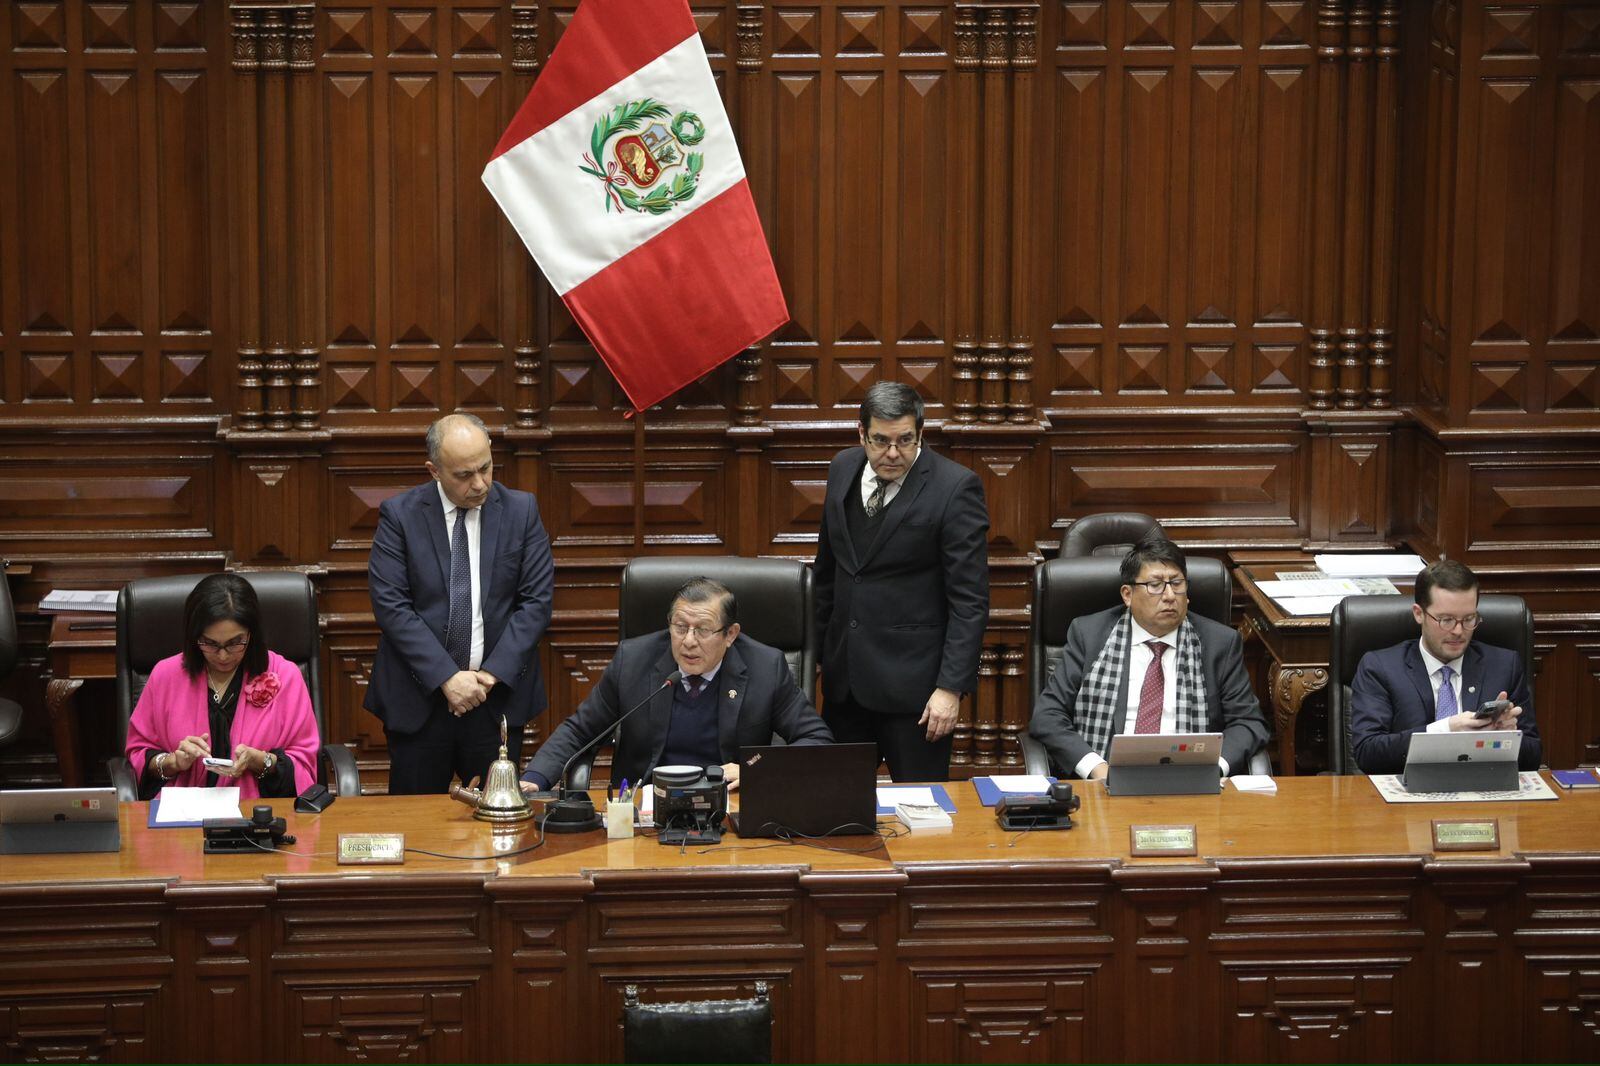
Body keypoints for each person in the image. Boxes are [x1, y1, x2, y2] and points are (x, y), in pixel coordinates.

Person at [367, 413, 555, 794]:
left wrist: (485, 678)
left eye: (485, 468)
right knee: (416, 827)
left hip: (493, 700)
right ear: (434, 470)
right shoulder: (400, 515)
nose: (480, 483)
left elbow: (535, 602)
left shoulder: (522, 511)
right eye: (464, 475)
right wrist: (447, 678)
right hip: (420, 702)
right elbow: (391, 605)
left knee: (498, 826)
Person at [813, 382, 989, 781]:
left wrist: (950, 689)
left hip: (917, 695)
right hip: (846, 688)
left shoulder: (955, 487)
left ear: (921, 434)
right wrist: (821, 657)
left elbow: (969, 601)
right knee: (837, 812)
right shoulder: (842, 468)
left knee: (921, 817)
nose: (893, 453)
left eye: (905, 441)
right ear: (861, 434)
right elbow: (828, 572)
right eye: (880, 441)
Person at [521, 577, 832, 793]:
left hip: (731, 808)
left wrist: (756, 771)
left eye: (704, 630)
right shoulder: (634, 660)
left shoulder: (766, 667)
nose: (688, 642)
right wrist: (534, 779)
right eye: (680, 627)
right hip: (646, 806)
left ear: (730, 634)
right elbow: (580, 730)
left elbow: (817, 741)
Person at [1028, 532, 1268, 779]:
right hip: (1105, 780)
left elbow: (1248, 723)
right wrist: (1097, 769)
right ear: (1127, 595)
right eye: (1155, 585)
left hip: (1191, 783)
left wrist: (1211, 768)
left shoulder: (1220, 643)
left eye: (1177, 583)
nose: (1169, 596)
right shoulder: (1089, 635)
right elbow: (1048, 716)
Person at [125, 573, 319, 801]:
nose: (223, 656)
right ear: (194, 636)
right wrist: (172, 762)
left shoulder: (285, 677)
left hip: (257, 814)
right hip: (183, 815)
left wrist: (261, 761)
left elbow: (305, 767)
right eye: (210, 644)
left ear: (251, 635)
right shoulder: (165, 676)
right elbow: (137, 756)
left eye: (235, 642)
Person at [1349, 559, 1539, 774]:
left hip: (1481, 790)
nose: (1459, 631)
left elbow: (1533, 755)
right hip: (1409, 796)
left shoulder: (1505, 665)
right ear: (1419, 613)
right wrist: (1447, 729)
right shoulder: (1380, 668)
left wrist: (1506, 738)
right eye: (1446, 620)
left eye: (1469, 619)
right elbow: (1368, 752)